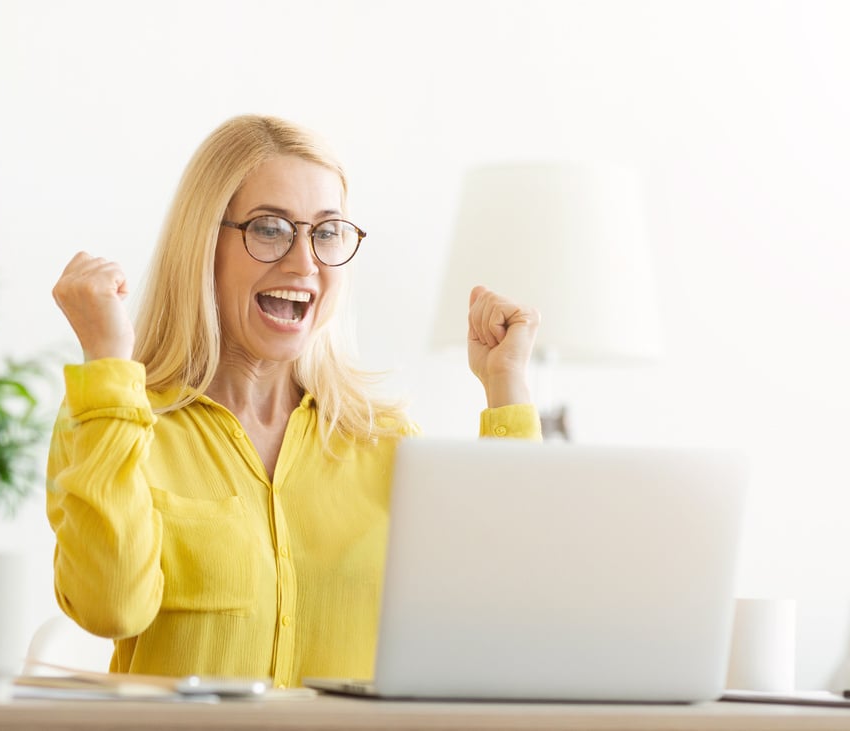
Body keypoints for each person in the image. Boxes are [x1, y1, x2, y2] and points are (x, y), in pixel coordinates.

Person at [47, 114, 542, 688]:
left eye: (327, 232)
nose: (304, 263)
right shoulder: (116, 420)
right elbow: (110, 607)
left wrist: (507, 387)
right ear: (203, 244)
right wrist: (109, 362)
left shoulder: (384, 440)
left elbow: (504, 616)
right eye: (270, 228)